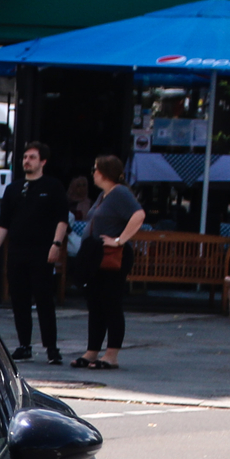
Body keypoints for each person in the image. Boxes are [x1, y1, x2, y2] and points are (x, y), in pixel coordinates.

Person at [0, 140, 69, 366]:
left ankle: (51, 347)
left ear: (43, 161)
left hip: (42, 250)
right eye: (25, 157)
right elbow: (3, 225)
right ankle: (24, 344)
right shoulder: (14, 189)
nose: (27, 161)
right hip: (17, 250)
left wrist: (56, 245)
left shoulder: (52, 187)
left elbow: (62, 219)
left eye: (32, 157)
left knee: (43, 299)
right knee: (18, 298)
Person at [72, 154, 145, 370]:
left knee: (110, 303)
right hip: (96, 255)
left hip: (113, 257)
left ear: (104, 172)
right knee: (95, 304)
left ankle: (111, 354)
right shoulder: (105, 195)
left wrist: (120, 240)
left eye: (95, 169)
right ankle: (92, 351)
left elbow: (139, 215)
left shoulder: (120, 192)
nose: (92, 173)